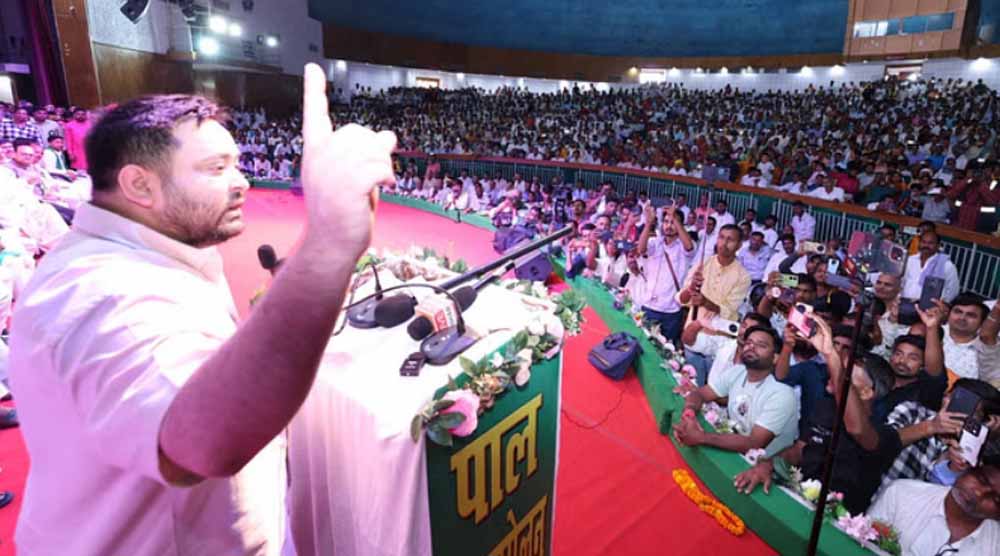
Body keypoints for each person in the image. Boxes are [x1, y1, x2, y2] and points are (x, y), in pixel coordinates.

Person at [8, 65, 396, 554]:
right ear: (140, 185)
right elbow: (203, 442)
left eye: (236, 164)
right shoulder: (100, 293)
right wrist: (330, 241)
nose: (242, 182)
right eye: (216, 169)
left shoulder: (149, 250)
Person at [674, 326, 799, 457]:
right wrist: (689, 414)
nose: (751, 347)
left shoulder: (781, 394)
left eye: (761, 345)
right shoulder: (737, 371)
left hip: (761, 463)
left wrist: (700, 436)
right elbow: (700, 393)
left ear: (775, 358)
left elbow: (754, 443)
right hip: (733, 446)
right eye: (749, 342)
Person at [868, 464, 1000, 555]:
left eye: (995, 499)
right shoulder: (901, 493)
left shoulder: (996, 547)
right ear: (967, 469)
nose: (979, 493)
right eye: (982, 480)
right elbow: (864, 547)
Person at [637, 204, 695, 342]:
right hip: (649, 306)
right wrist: (648, 224)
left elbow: (689, 247)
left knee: (666, 348)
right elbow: (641, 250)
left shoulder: (685, 246)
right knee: (643, 342)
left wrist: (674, 217)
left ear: (680, 225)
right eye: (666, 221)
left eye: (673, 222)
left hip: (671, 310)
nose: (669, 226)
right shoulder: (655, 242)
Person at [678, 224, 751, 324]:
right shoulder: (702, 264)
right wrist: (691, 288)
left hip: (720, 330)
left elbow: (729, 311)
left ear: (739, 245)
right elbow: (682, 299)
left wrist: (705, 302)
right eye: (721, 237)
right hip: (693, 325)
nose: (724, 243)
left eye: (730, 240)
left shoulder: (743, 276)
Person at [901, 231, 961, 304]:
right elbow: (901, 281)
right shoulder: (910, 260)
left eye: (930, 243)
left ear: (938, 245)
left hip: (930, 307)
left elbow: (953, 291)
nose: (926, 245)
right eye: (923, 242)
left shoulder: (947, 265)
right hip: (904, 303)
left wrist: (940, 305)